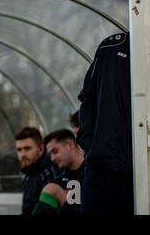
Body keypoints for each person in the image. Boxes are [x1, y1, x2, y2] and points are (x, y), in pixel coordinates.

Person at [77, 32, 133, 214]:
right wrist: (91, 145)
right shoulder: (111, 47)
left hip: (141, 171)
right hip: (102, 169)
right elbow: (87, 96)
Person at [32, 129, 85, 215]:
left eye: (55, 151)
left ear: (70, 145)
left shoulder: (94, 171)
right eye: (50, 155)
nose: (52, 158)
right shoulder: (60, 181)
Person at [15, 127, 59, 215]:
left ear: (41, 149)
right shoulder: (28, 172)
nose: (22, 154)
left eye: (27, 148)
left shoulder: (49, 174)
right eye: (19, 150)